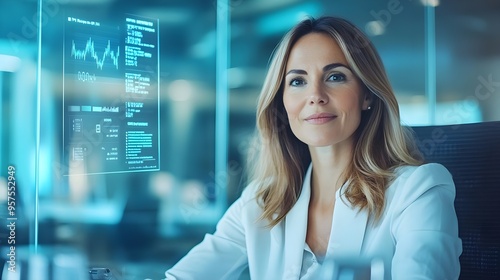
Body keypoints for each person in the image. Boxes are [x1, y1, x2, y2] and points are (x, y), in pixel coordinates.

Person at [165, 16, 462, 279]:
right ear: (282, 103)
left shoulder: (418, 191)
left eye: (335, 77)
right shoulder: (261, 201)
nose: (315, 96)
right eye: (297, 81)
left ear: (367, 96)